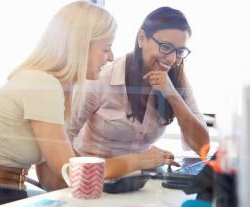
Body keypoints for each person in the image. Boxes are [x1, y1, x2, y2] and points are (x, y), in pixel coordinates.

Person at [0, 1, 133, 206]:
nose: (111, 57)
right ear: (80, 46)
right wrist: (137, 161)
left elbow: (52, 178)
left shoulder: (49, 85)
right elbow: (69, 172)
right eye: (106, 48)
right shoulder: (42, 84)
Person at [67, 7, 210, 173]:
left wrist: (173, 95)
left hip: (139, 182)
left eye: (179, 51)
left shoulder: (177, 80)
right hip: (96, 179)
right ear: (141, 38)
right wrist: (82, 175)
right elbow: (62, 139)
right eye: (165, 47)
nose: (172, 59)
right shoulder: (102, 78)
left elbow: (203, 148)